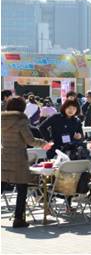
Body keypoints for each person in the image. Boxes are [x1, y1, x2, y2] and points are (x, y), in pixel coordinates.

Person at [1, 96, 51, 228]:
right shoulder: (21, 120)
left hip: (5, 155)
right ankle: (18, 219)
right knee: (22, 188)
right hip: (18, 157)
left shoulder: (2, 119)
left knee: (2, 184)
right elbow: (29, 140)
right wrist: (43, 144)